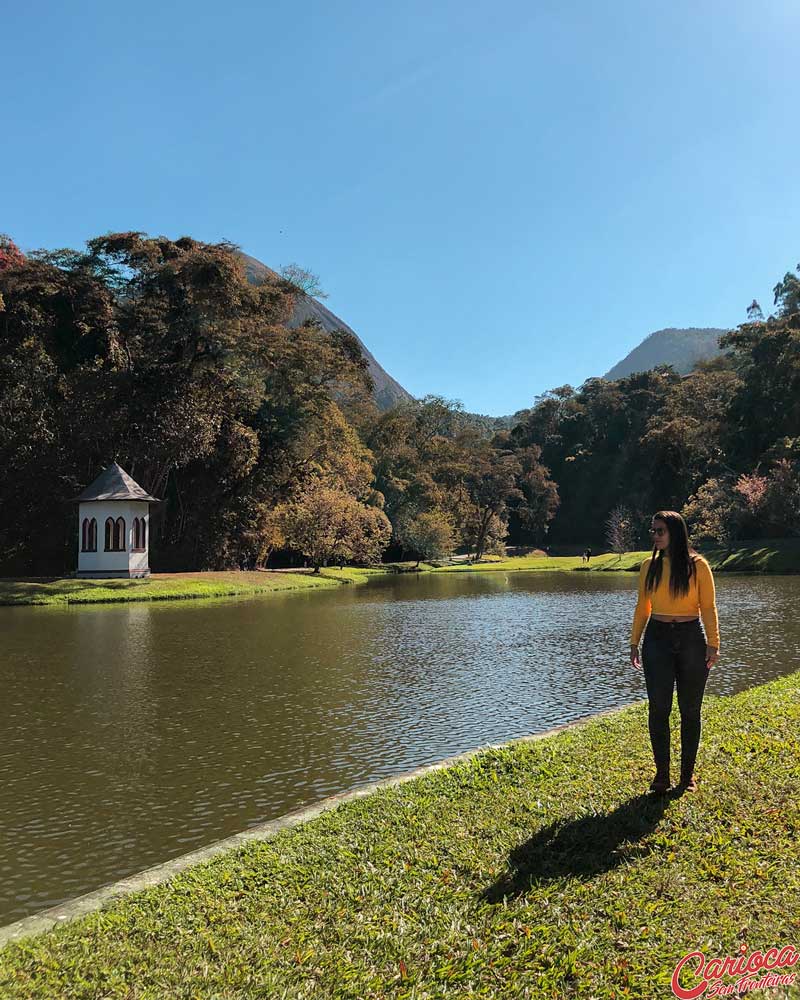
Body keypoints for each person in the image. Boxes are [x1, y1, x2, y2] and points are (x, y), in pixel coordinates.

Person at [629, 510, 720, 794]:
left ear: (675, 533)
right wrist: (634, 642)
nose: (654, 536)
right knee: (659, 709)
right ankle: (662, 776)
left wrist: (713, 643)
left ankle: (687, 776)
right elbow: (643, 606)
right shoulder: (649, 566)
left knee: (690, 710)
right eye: (653, 531)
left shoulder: (698, 566)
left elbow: (708, 607)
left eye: (660, 531)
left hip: (692, 638)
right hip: (657, 639)